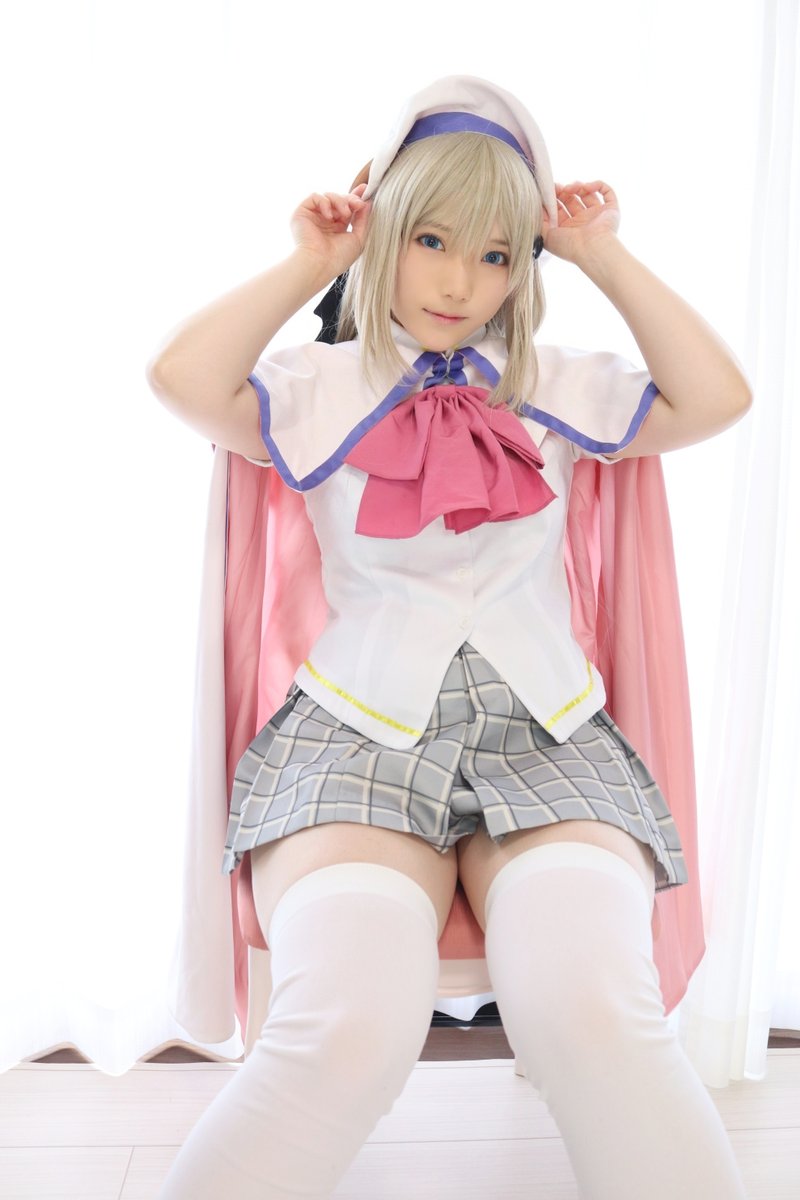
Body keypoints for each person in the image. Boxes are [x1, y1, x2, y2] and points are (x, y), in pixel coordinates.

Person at [148, 76, 751, 1200]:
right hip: (353, 738)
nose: (459, 282)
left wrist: (601, 253)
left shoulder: (556, 385)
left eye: (495, 254)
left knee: (595, 1013)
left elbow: (719, 397)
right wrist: (309, 265)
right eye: (429, 240)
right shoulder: (320, 385)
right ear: (383, 229)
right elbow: (177, 376)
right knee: (344, 1027)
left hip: (549, 738)